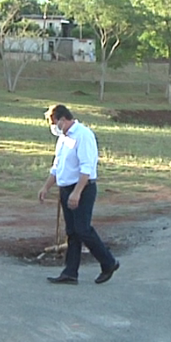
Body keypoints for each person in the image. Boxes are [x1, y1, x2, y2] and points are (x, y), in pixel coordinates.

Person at [38, 104, 119, 285]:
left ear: (63, 119)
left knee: (83, 229)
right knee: (72, 232)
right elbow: (57, 167)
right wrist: (46, 187)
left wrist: (77, 193)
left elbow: (87, 168)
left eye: (53, 122)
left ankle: (108, 262)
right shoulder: (63, 139)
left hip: (82, 188)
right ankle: (70, 272)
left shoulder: (83, 135)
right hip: (66, 188)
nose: (53, 127)